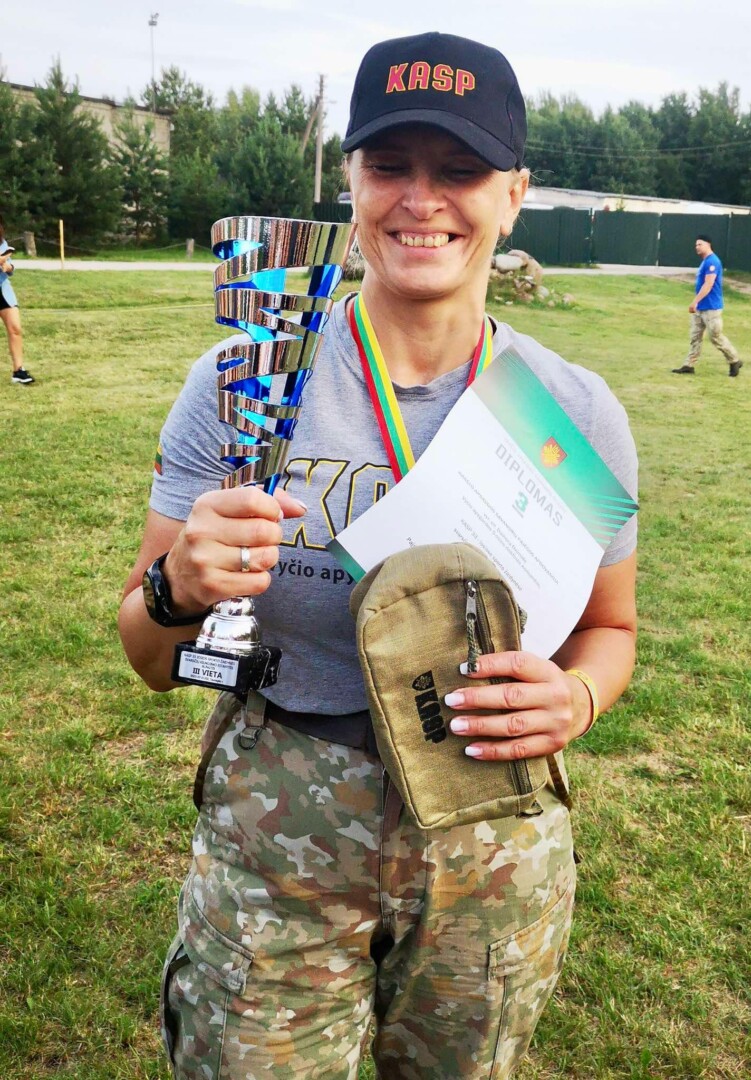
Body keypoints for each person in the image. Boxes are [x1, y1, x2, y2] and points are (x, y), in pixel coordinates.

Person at [119, 31, 638, 1079]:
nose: (421, 199)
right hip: (280, 837)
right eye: (390, 164)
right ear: (351, 181)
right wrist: (177, 588)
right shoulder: (245, 379)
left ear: (515, 195)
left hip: (492, 839)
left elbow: (610, 629)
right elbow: (147, 653)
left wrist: (578, 699)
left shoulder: (572, 412)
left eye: (460, 170)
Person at [672, 234, 743, 377]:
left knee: (715, 337)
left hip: (711, 307)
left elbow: (709, 284)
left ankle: (734, 360)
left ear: (708, 245)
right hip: (701, 307)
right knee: (695, 336)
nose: (697, 247)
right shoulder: (705, 262)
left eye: (700, 244)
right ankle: (689, 365)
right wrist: (698, 303)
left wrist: (695, 301)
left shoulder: (713, 261)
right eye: (696, 245)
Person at [0, 219, 35, 385]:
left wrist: (8, 267)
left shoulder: (2, 244)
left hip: (2, 290)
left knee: (15, 328)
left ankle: (18, 371)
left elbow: (10, 267)